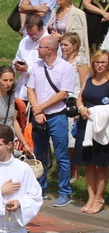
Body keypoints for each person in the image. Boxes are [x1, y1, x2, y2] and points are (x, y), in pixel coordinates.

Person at [27, 35, 75, 206]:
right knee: (39, 154)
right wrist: (36, 109)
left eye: (40, 47)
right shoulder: (37, 66)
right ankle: (40, 189)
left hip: (57, 116)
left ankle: (64, 192)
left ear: (50, 50)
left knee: (61, 155)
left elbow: (63, 93)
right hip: (38, 116)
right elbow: (30, 89)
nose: (37, 50)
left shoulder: (65, 68)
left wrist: (42, 107)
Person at [73, 50, 109, 214]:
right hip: (86, 123)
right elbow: (80, 97)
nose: (100, 65)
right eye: (97, 62)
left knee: (101, 164)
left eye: (103, 62)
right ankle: (90, 196)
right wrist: (81, 108)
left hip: (102, 126)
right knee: (88, 163)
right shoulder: (89, 79)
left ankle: (99, 197)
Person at [61, 32, 90, 181]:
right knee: (64, 138)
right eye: (62, 44)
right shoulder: (61, 60)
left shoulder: (80, 61)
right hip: (62, 99)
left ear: (75, 45)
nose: (63, 47)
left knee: (73, 139)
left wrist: (81, 104)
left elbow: (85, 84)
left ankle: (76, 172)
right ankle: (66, 170)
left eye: (66, 44)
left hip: (75, 99)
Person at [13, 15, 51, 105]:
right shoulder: (24, 41)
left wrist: (28, 69)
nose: (31, 36)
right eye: (29, 33)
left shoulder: (50, 43)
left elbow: (51, 69)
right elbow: (16, 58)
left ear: (41, 29)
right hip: (21, 90)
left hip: (39, 93)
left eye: (33, 34)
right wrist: (17, 66)